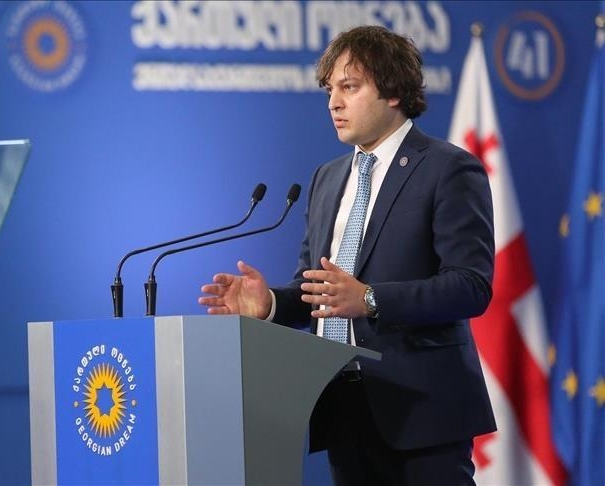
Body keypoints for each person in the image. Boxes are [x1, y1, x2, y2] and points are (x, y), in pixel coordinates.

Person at [198, 25, 496, 485]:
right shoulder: (327, 178)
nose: (333, 103)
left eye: (349, 87)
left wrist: (371, 299)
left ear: (393, 92)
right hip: (342, 407)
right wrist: (271, 304)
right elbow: (320, 291)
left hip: (422, 412)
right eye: (329, 90)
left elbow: (470, 286)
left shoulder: (448, 168)